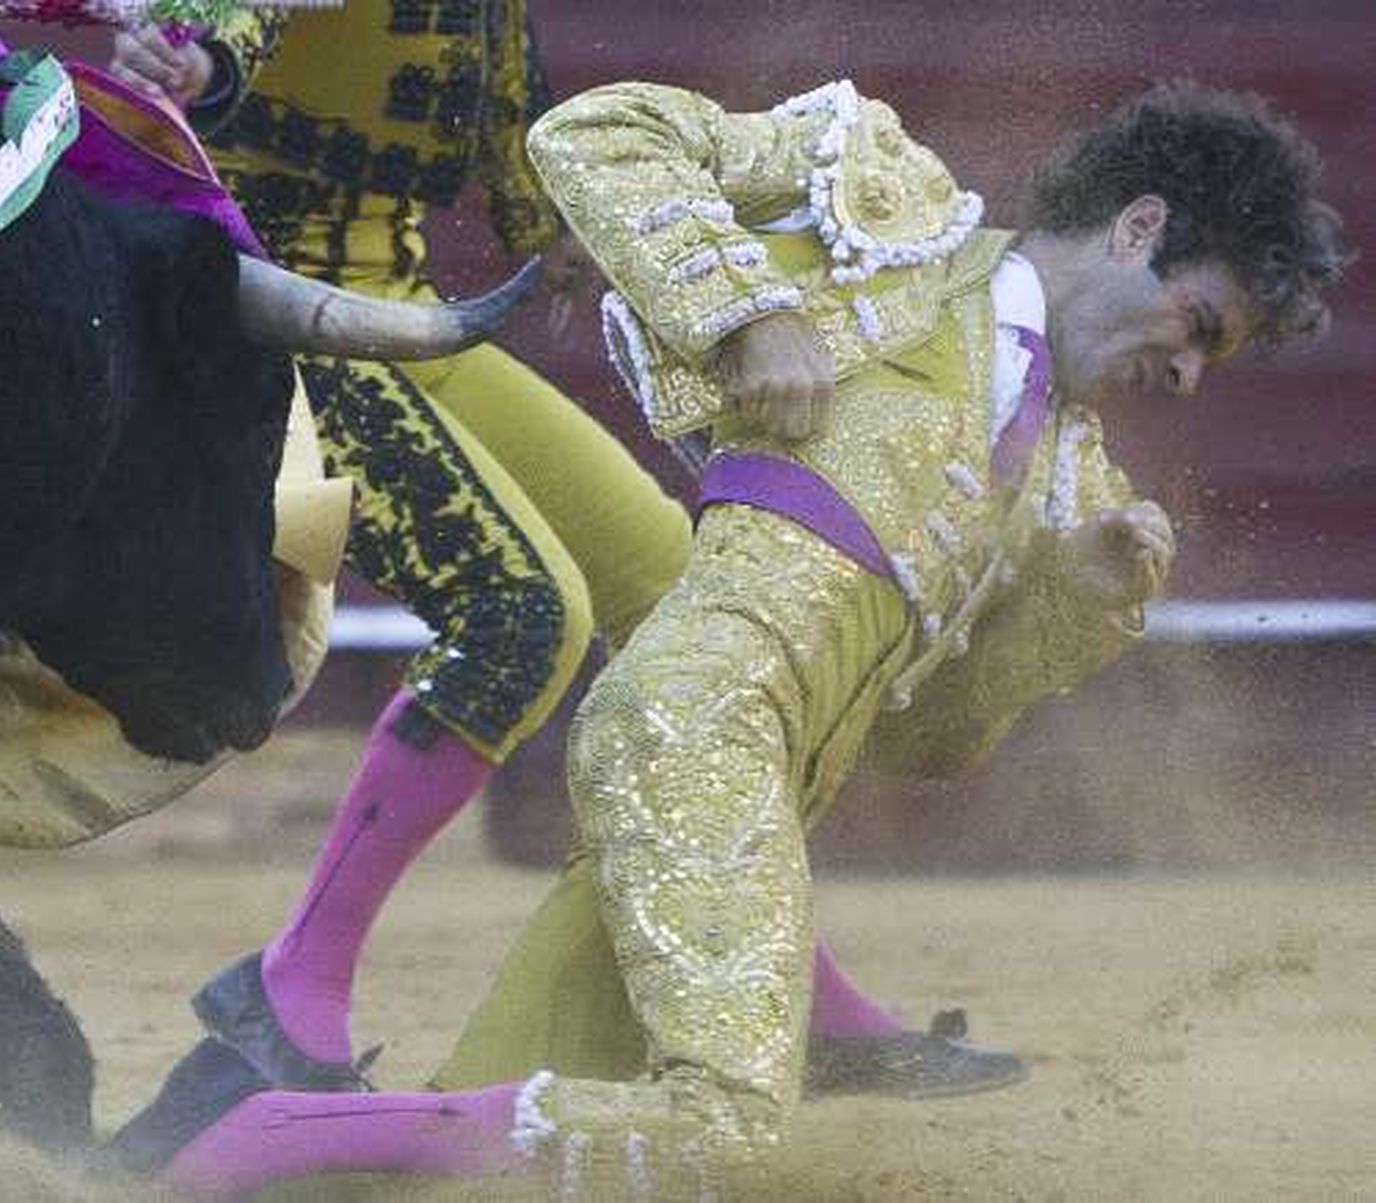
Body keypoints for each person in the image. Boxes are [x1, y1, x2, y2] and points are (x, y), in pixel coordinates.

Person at [106, 72, 1348, 1199]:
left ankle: (260, 1160)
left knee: (490, 1160)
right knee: (723, 1131)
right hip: (694, 728)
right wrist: (744, 315)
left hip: (752, 806)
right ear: (1136, 230)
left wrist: (1069, 604)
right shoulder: (888, 218)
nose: (1188, 375)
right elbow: (596, 131)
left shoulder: (1071, 492)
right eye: (1198, 324)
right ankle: (267, 1134)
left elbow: (923, 742)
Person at [106, 0, 1019, 1105]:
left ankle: (786, 982)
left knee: (692, 613)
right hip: (267, 331)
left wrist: (582, 238)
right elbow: (233, 20)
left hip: (405, 318)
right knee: (523, 616)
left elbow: (520, 142)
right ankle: (293, 980)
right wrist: (199, 62)